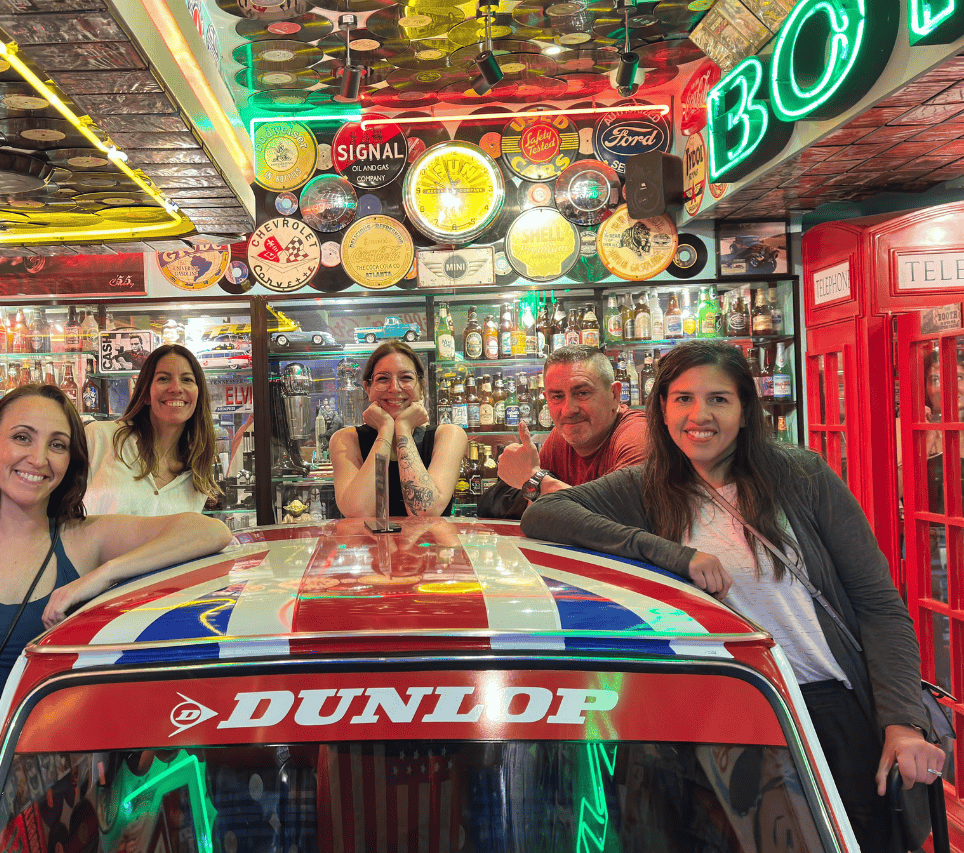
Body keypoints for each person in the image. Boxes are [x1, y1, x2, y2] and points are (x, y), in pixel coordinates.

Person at [522, 340, 944, 853]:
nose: (699, 415)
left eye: (719, 399)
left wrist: (902, 725)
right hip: (719, 711)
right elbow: (545, 515)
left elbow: (879, 604)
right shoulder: (646, 486)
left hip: (825, 706)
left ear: (746, 410)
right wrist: (673, 556)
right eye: (682, 399)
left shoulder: (801, 475)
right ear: (662, 408)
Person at [0, 383, 231, 853]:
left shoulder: (83, 541)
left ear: (72, 462)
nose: (39, 458)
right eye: (22, 437)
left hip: (38, 800)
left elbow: (208, 531)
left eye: (58, 445)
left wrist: (98, 577)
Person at [479, 344, 647, 519]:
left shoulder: (637, 436)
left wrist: (534, 482)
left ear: (614, 395)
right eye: (557, 397)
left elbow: (622, 524)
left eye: (582, 393)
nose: (568, 410)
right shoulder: (561, 438)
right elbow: (535, 511)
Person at [331, 340, 467, 517]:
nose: (395, 388)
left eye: (406, 378)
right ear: (368, 388)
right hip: (370, 545)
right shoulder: (345, 440)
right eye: (383, 379)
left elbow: (425, 512)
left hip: (431, 545)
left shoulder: (449, 435)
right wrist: (385, 431)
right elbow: (359, 513)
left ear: (421, 387)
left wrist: (402, 427)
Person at [84, 344, 221, 515]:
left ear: (198, 395)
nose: (176, 388)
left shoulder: (197, 477)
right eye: (164, 378)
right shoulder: (100, 438)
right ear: (146, 393)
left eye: (187, 379)